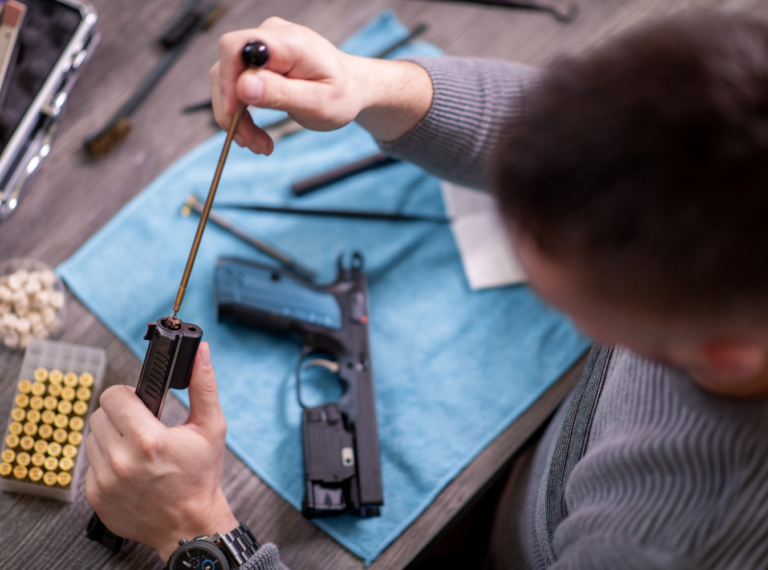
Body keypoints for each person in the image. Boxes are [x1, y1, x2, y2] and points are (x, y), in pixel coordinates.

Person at [85, 11, 768, 570]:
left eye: (553, 286)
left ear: (725, 353)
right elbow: (566, 134)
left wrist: (201, 536)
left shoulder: (665, 537)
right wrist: (368, 85)